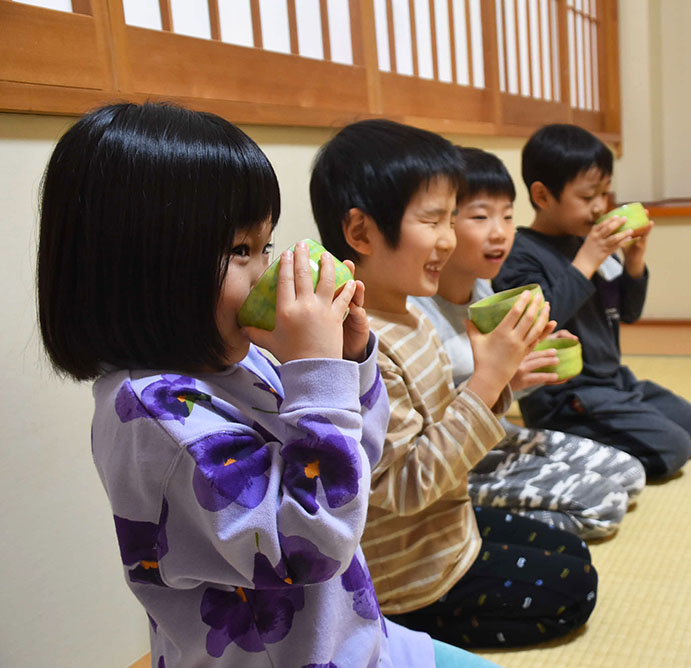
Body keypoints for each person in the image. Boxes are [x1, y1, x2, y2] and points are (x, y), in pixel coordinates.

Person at [36, 102, 497, 667]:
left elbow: (357, 467)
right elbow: (309, 545)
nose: (266, 275)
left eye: (266, 247)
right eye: (240, 251)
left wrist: (349, 361)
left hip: (355, 636)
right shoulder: (156, 416)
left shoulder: (241, 360)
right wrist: (316, 373)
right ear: (144, 268)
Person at [310, 119, 598, 648]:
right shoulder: (360, 343)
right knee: (576, 588)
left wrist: (503, 379)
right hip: (411, 575)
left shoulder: (412, 314)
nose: (449, 238)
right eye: (433, 219)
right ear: (361, 232)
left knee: (572, 549)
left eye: (451, 218)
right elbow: (404, 486)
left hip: (447, 522)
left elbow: (444, 422)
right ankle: (400, 632)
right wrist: (486, 382)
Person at [410, 146, 645, 539]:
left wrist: (529, 359)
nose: (500, 232)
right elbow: (425, 430)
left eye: (507, 215)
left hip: (494, 437)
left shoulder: (486, 290)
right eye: (481, 217)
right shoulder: (416, 312)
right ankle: (457, 529)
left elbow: (502, 384)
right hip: (448, 460)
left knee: (630, 474)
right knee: (603, 505)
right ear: (443, 225)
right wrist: (503, 378)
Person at [493, 124, 691, 481]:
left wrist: (634, 261)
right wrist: (588, 259)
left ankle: (616, 427)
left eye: (605, 194)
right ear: (543, 196)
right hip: (564, 398)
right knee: (673, 449)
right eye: (588, 196)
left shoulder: (591, 243)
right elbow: (538, 324)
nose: (600, 207)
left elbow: (628, 312)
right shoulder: (521, 255)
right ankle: (563, 444)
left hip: (614, 383)